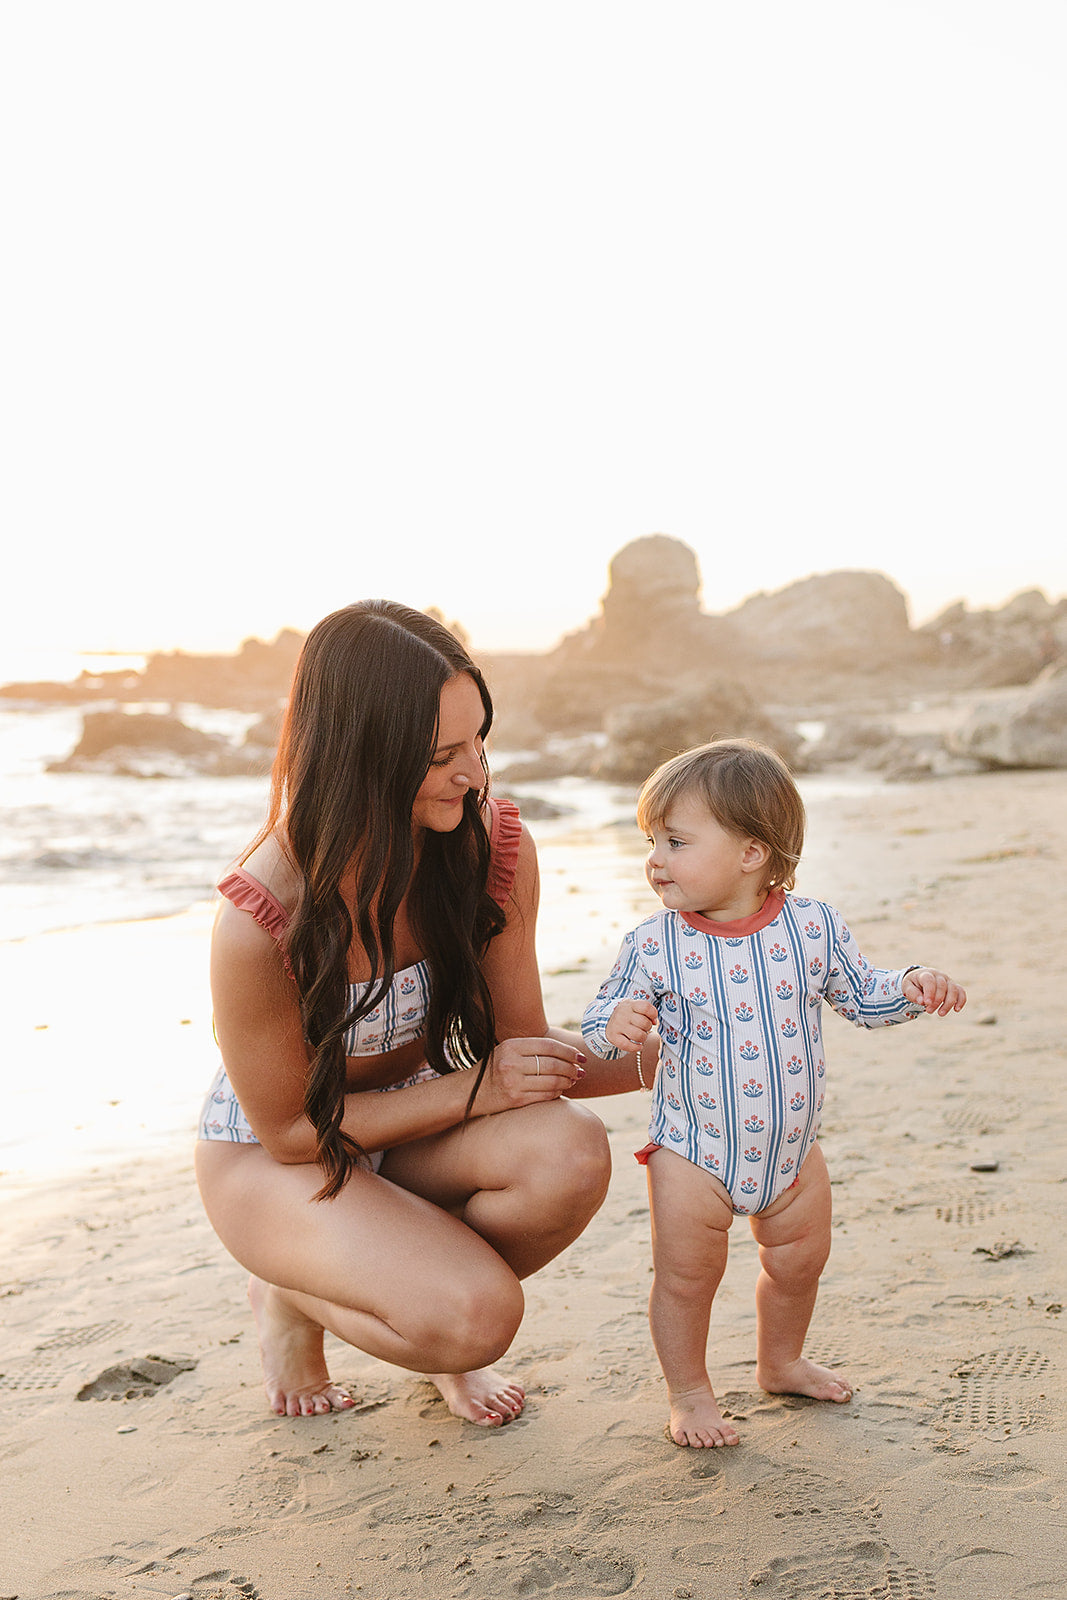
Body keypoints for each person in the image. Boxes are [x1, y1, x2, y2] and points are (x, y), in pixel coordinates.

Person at [196, 600, 643, 1426]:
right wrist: (480, 1091)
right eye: (442, 755)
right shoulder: (262, 919)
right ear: (362, 753)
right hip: (279, 1160)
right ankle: (298, 1293)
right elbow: (294, 1132)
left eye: (480, 740)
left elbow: (522, 1053)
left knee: (570, 1151)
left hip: (414, 1131)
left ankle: (395, 1269)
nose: (474, 773)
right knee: (474, 1320)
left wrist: (694, 1049)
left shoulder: (487, 845)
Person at [581, 739, 967, 1449]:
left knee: (798, 1263)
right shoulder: (653, 944)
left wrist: (908, 987)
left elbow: (861, 995)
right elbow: (600, 1026)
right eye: (650, 841)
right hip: (693, 1153)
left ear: (751, 853)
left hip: (791, 1153)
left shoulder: (811, 926)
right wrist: (617, 1025)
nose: (654, 859)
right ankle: (690, 1394)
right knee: (685, 1279)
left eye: (674, 840)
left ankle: (779, 1360)